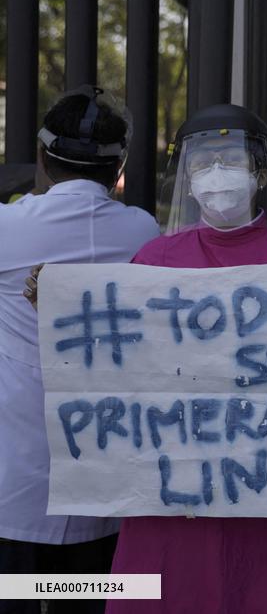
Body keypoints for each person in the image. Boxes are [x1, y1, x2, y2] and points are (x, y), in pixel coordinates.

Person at [104, 104, 267, 613]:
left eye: (230, 159)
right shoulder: (151, 260)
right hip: (169, 490)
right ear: (187, 179)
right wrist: (53, 301)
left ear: (258, 172)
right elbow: (116, 367)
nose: (217, 173)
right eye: (203, 162)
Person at [0, 86, 160, 614]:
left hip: (15, 473)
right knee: (98, 601)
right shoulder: (143, 231)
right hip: (105, 468)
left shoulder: (7, 228)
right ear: (119, 165)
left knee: (15, 598)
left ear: (42, 157)